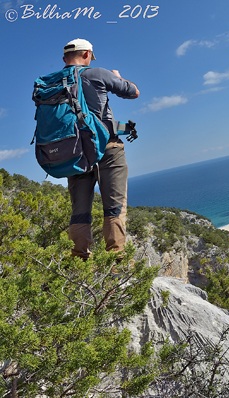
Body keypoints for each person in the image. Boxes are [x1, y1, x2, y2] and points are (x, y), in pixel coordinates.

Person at [61, 38, 140, 259]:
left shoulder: (53, 82)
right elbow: (133, 92)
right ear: (87, 55)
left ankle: (79, 260)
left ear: (64, 58)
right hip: (107, 148)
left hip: (74, 154)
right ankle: (116, 262)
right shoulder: (98, 74)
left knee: (79, 211)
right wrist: (117, 77)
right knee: (114, 207)